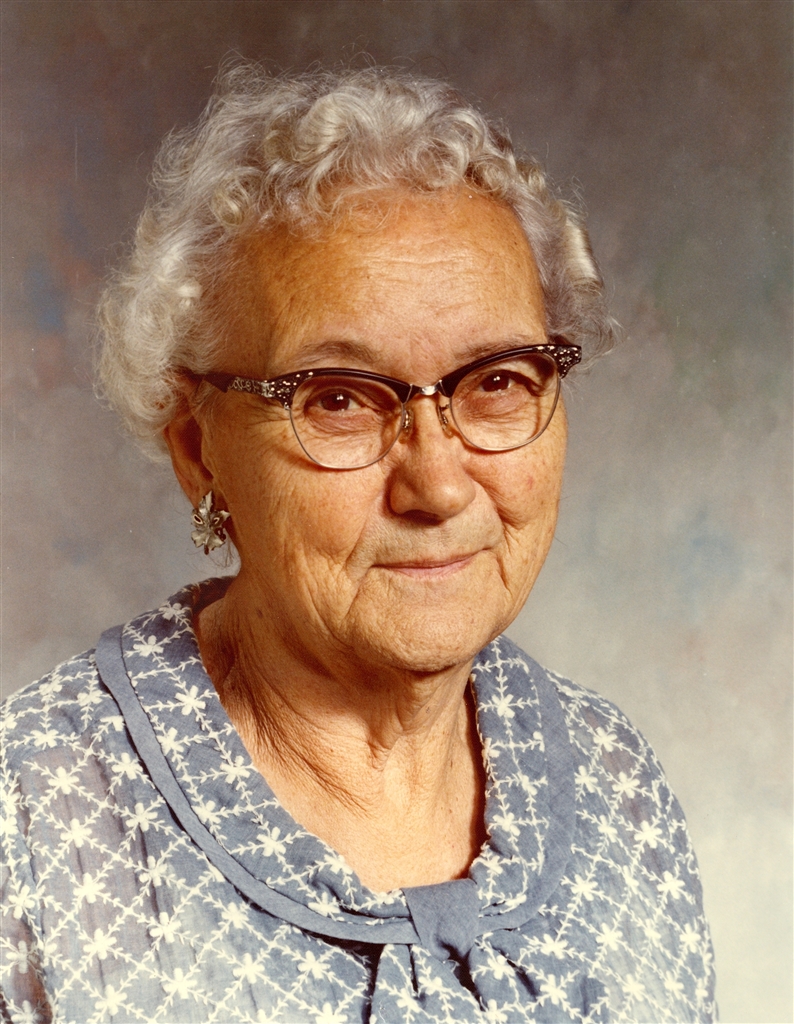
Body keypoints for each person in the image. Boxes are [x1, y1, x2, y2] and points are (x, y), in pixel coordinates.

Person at [0, 64, 715, 1024]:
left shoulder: (612, 780)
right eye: (337, 398)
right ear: (198, 448)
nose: (438, 483)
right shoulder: (35, 818)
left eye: (497, 380)